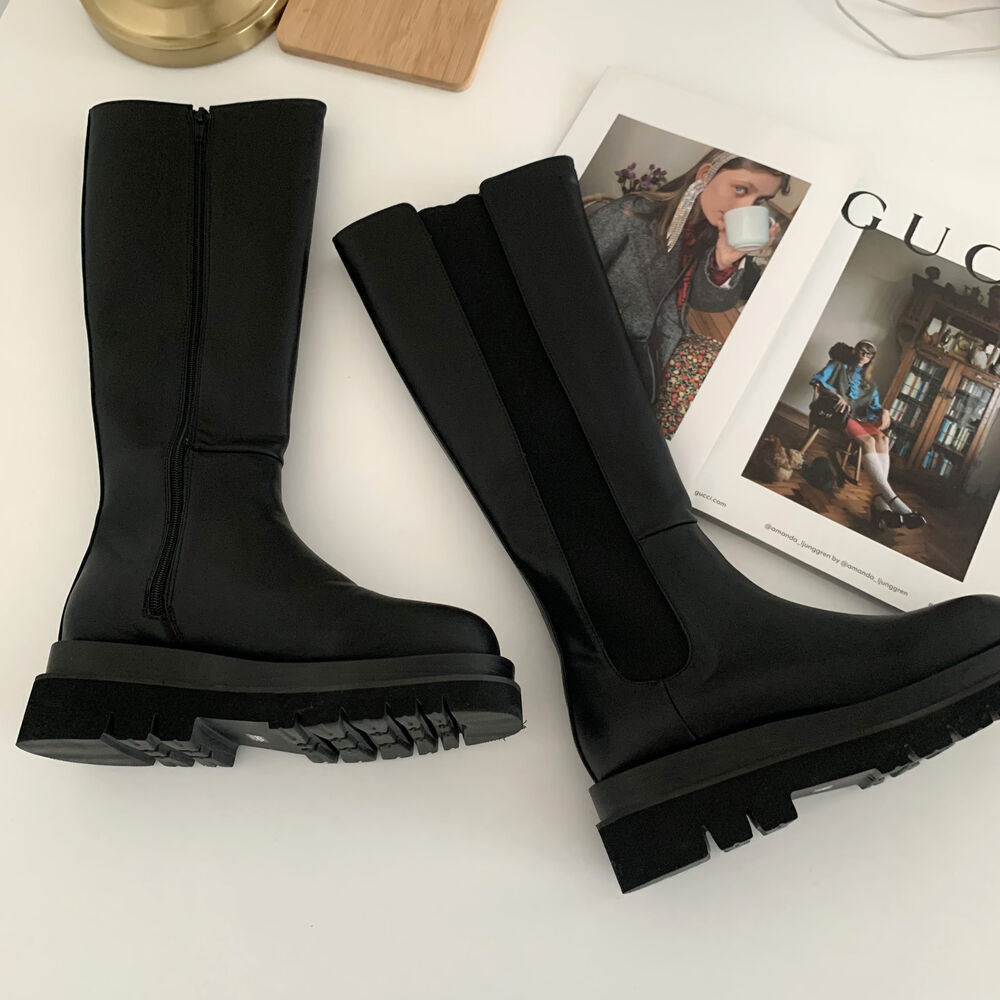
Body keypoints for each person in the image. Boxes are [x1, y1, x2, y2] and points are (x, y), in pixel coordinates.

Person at [587, 148, 788, 438]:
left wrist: (723, 261)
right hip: (606, 348)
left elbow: (705, 302)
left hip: (660, 348)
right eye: (740, 189)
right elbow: (567, 279)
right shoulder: (630, 214)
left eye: (758, 201)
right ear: (705, 175)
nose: (745, 207)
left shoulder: (710, 234)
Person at [810, 339, 926, 529]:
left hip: (856, 419)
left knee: (882, 438)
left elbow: (875, 408)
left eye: (869, 354)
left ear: (872, 359)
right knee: (868, 442)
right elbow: (819, 381)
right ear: (855, 350)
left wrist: (885, 411)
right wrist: (836, 395)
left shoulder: (869, 385)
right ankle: (892, 501)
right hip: (836, 414)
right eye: (862, 351)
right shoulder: (837, 365)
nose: (864, 356)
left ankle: (881, 504)